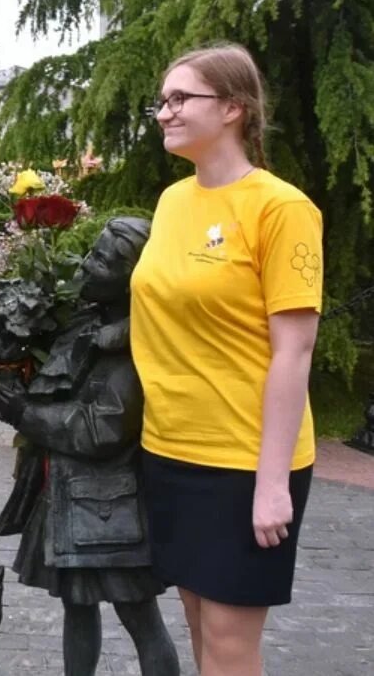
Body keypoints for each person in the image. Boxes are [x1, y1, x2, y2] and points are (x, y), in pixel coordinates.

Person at [131, 43, 322, 675]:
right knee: (198, 625)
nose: (165, 112)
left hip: (245, 461)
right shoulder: (172, 203)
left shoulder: (281, 209)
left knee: (231, 645)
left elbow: (294, 351)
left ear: (234, 108)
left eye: (181, 98)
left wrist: (271, 485)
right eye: (163, 100)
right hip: (170, 450)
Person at [0, 217, 179, 676]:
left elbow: (100, 429)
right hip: (68, 496)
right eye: (93, 253)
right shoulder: (87, 321)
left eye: (104, 261)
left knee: (139, 615)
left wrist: (25, 415)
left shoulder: (137, 343)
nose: (89, 266)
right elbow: (59, 384)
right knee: (77, 607)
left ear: (134, 277)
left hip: (110, 506)